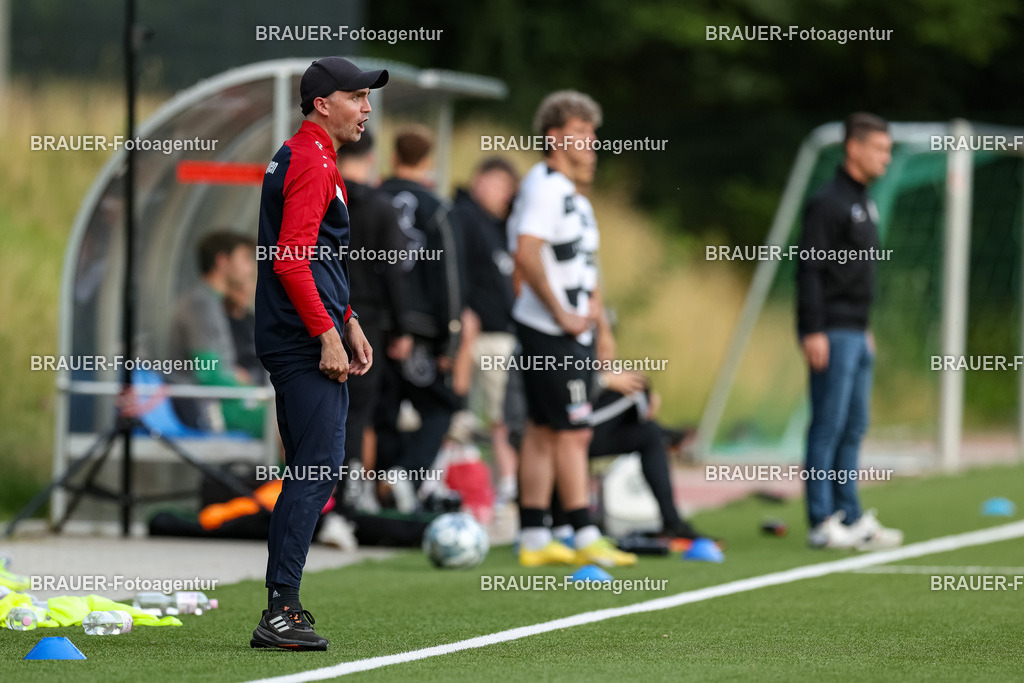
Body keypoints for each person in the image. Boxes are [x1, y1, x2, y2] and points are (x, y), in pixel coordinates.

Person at [250, 56, 385, 651]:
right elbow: (290, 259)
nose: (367, 108)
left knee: (312, 467)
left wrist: (348, 319)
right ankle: (280, 609)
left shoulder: (316, 156)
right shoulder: (309, 157)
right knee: (318, 468)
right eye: (357, 96)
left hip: (307, 332)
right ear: (322, 104)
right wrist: (326, 335)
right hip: (301, 340)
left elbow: (317, 259)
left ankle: (284, 606)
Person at [508, 90, 635, 568]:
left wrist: (600, 326)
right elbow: (527, 252)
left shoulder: (572, 198)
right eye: (584, 134)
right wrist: (561, 314)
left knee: (543, 430)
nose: (594, 144)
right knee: (574, 431)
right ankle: (584, 530)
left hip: (573, 333)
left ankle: (535, 538)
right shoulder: (543, 186)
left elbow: (587, 268)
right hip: (548, 331)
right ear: (556, 138)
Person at [796, 112, 902, 551]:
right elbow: (809, 270)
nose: (886, 158)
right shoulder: (828, 202)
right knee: (828, 424)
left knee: (855, 425)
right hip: (832, 331)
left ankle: (851, 515)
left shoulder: (866, 200)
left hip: (857, 332)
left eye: (889, 150)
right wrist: (812, 329)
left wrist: (865, 327)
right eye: (879, 149)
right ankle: (822, 520)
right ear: (853, 148)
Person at [376, 127, 464, 505]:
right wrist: (451, 338)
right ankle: (404, 477)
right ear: (428, 161)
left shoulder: (370, 198)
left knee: (383, 409)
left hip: (370, 324)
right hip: (420, 332)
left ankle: (383, 489)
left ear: (394, 157)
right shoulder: (438, 209)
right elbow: (450, 278)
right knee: (440, 406)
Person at [335, 130, 411, 510]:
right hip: (368, 321)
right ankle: (348, 497)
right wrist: (401, 327)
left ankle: (319, 497)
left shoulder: (322, 200)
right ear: (370, 157)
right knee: (357, 412)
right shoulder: (382, 208)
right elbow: (393, 274)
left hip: (322, 314)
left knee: (321, 409)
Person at [452, 157, 520, 506]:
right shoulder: (461, 215)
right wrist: (463, 314)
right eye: (497, 184)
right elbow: (456, 273)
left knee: (502, 417)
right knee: (455, 415)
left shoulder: (503, 226)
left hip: (500, 334)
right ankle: (436, 482)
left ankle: (508, 485)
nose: (502, 194)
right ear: (478, 179)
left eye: (508, 188)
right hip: (470, 334)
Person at [168, 231, 258, 433]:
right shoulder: (201, 304)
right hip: (204, 408)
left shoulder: (211, 302)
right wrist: (253, 391)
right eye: (244, 259)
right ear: (223, 262)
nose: (250, 267)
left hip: (218, 402)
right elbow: (208, 373)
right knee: (285, 422)